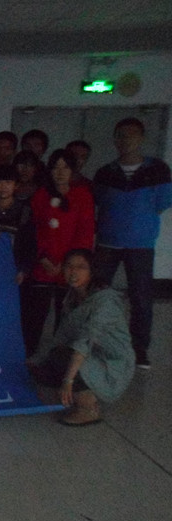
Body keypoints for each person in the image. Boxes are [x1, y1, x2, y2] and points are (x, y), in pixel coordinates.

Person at [93, 117, 172, 369]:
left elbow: (162, 204)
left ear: (142, 138)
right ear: (115, 139)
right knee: (97, 295)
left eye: (132, 134)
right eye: (121, 134)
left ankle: (139, 350)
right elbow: (99, 202)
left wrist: (139, 224)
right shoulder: (105, 172)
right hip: (107, 242)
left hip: (141, 244)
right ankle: (94, 344)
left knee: (141, 298)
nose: (126, 139)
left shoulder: (158, 169)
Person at [29, 249, 134, 426]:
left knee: (62, 357)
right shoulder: (73, 297)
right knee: (42, 370)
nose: (73, 272)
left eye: (81, 267)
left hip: (111, 363)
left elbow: (84, 342)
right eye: (69, 266)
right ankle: (78, 391)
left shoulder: (105, 301)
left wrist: (68, 380)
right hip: (90, 355)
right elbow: (62, 336)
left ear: (93, 271)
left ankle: (88, 407)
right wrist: (34, 361)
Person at [23, 149, 95, 357]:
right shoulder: (41, 195)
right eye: (56, 167)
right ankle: (28, 355)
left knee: (66, 316)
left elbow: (85, 233)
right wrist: (43, 257)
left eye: (65, 167)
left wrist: (67, 264)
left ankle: (59, 356)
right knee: (35, 314)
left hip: (70, 267)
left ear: (73, 170)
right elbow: (34, 231)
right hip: (43, 264)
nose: (60, 172)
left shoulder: (83, 195)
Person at [0, 164, 35, 284]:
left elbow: (30, 244)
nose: (3, 187)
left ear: (16, 185)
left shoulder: (25, 212)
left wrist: (23, 270)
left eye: (8, 182)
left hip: (15, 270)